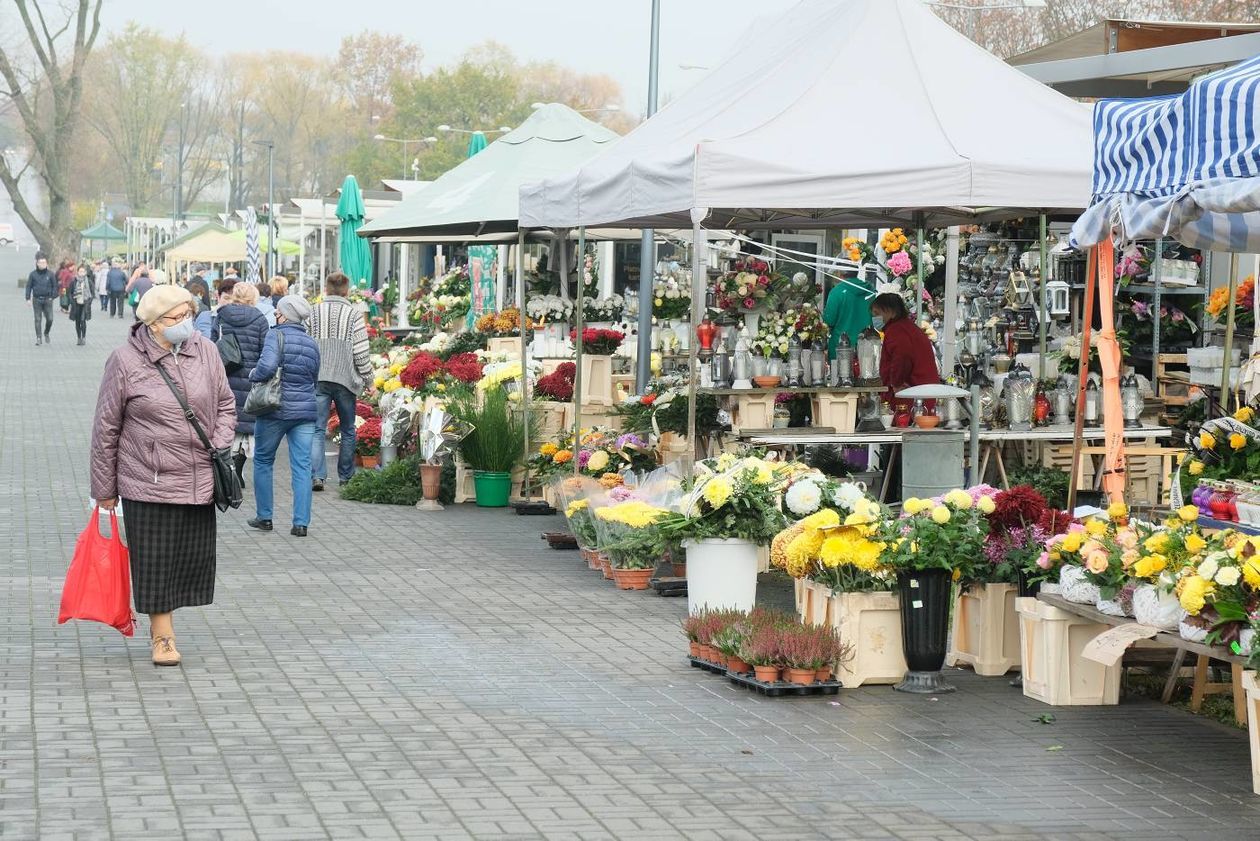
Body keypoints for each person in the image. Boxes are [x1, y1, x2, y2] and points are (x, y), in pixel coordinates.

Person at [90, 284, 236, 666]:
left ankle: (167, 623)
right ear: (153, 324)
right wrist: (105, 488)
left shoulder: (205, 350)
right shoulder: (124, 361)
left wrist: (218, 444)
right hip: (148, 482)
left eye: (189, 314)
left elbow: (225, 404)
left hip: (199, 477)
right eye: (176, 318)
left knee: (189, 560)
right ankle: (163, 637)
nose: (185, 323)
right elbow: (106, 428)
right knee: (156, 563)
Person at [248, 295, 320, 537]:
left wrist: (253, 374)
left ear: (285, 315)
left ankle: (265, 517)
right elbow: (314, 377)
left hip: (275, 409)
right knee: (302, 466)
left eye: (277, 312)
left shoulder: (275, 335)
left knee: (263, 460)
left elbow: (267, 367)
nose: (275, 316)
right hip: (305, 410)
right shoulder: (311, 343)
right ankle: (301, 524)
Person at [309, 272, 373, 491]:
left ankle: (318, 476)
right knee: (347, 429)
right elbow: (361, 352)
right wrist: (369, 380)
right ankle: (346, 476)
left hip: (319, 377)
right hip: (346, 379)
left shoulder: (314, 312)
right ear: (346, 290)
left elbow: (307, 345)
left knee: (317, 429)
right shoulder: (353, 314)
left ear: (326, 288)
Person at [217, 281, 270, 486]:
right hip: (250, 377)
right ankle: (237, 469)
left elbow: (213, 343)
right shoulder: (260, 319)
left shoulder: (222, 316)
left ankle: (227, 467)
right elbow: (265, 350)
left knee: (228, 421)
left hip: (226, 374)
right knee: (247, 428)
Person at [870, 292, 938, 403]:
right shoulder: (906, 327)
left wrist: (896, 383)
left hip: (912, 395)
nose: (875, 318)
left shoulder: (897, 330)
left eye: (877, 313)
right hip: (921, 392)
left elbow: (902, 357)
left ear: (891, 312)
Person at [822, 271, 873, 363]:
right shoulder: (870, 291)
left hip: (840, 346)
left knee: (840, 375)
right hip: (866, 345)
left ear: (840, 273)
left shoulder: (837, 292)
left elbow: (829, 320)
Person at [25, 252, 58, 345]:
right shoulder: (33, 274)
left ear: (47, 263)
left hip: (48, 299)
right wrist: (28, 298)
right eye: (41, 262)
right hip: (37, 299)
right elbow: (28, 286)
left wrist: (52, 296)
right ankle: (38, 337)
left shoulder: (50, 274)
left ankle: (46, 332)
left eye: (44, 262)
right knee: (38, 319)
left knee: (50, 319)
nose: (43, 264)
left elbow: (55, 286)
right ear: (37, 263)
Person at [68, 263, 93, 346]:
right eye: (80, 271)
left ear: (85, 272)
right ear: (77, 272)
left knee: (83, 320)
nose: (81, 273)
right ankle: (79, 337)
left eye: (83, 271)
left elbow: (92, 293)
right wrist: (72, 301)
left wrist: (89, 302)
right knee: (77, 321)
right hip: (77, 304)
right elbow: (70, 292)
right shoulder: (74, 281)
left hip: (85, 304)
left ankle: (84, 337)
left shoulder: (88, 281)